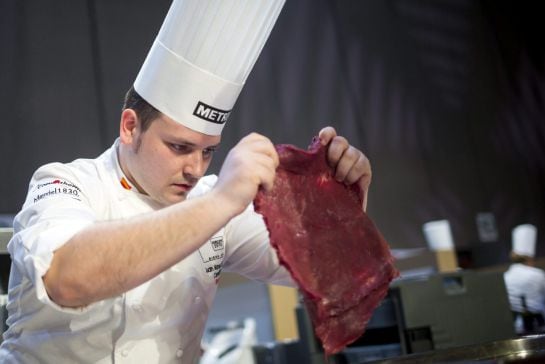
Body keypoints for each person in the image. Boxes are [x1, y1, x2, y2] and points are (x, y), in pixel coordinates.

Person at [0, 1, 372, 363]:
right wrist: (220, 202)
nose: (195, 168)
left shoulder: (211, 201)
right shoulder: (65, 183)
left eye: (208, 151)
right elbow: (67, 278)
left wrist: (340, 204)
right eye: (179, 147)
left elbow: (323, 274)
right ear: (130, 127)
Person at [504, 224, 545, 334]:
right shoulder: (537, 274)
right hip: (539, 323)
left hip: (517, 325)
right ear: (529, 258)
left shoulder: (506, 276)